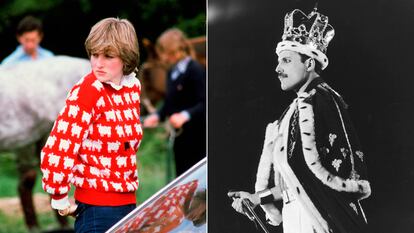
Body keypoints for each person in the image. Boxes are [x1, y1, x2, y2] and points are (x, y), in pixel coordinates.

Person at [229, 8, 371, 233]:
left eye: (286, 60)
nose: (278, 69)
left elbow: (342, 173)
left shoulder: (324, 99)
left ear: (309, 64)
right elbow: (292, 185)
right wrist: (257, 198)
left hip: (321, 219)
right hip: (295, 218)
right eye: (279, 61)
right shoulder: (291, 112)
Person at [40, 17, 142, 232]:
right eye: (94, 54)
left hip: (128, 204)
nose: (98, 63)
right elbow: (60, 145)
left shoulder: (132, 87)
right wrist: (59, 198)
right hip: (97, 210)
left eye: (108, 56)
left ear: (126, 57)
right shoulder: (88, 89)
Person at [1, 15, 59, 232]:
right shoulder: (8, 66)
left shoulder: (50, 61)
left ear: (40, 37)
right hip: (23, 128)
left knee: (53, 171)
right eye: (26, 40)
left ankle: (61, 220)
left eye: (33, 40)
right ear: (19, 38)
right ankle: (31, 224)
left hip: (46, 125)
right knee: (28, 174)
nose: (30, 45)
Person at [143, 28, 206, 176]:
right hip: (181, 139)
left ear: (173, 51)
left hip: (197, 138)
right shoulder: (172, 71)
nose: (161, 56)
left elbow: (204, 103)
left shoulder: (195, 69)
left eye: (162, 51)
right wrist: (157, 115)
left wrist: (184, 115)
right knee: (182, 176)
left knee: (196, 179)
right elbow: (170, 102)